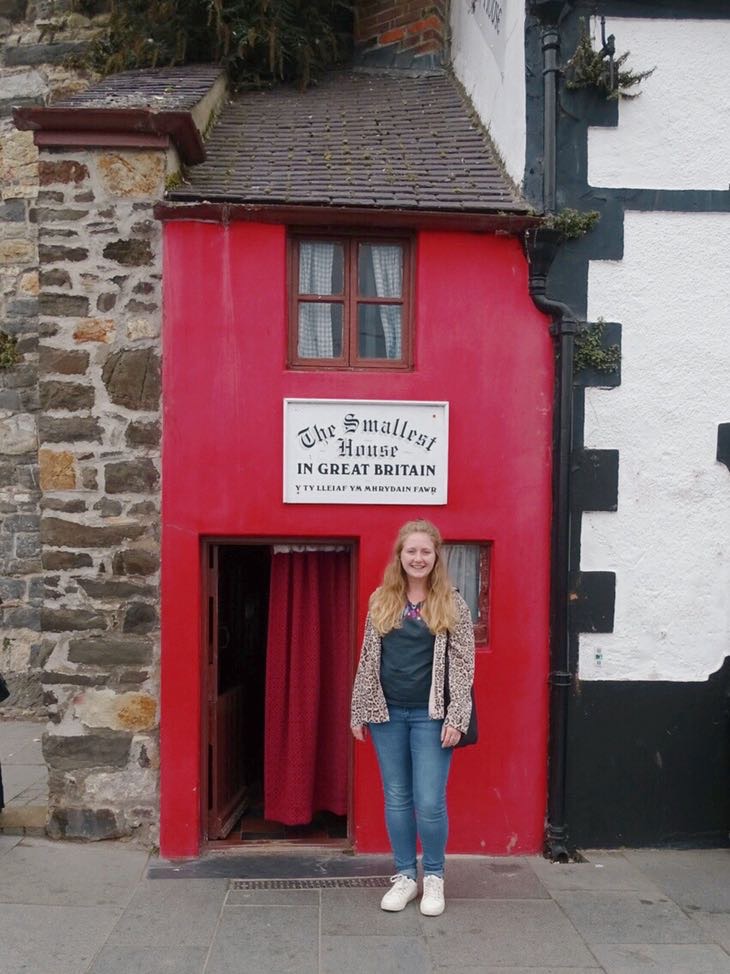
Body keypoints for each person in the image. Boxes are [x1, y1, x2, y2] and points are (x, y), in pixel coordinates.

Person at [351, 519, 475, 917]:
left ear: (435, 555)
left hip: (431, 716)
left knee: (429, 800)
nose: (418, 558)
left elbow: (463, 665)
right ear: (399, 556)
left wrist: (457, 715)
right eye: (411, 551)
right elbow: (368, 658)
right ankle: (405, 876)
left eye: (425, 551)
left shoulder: (451, 602)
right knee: (398, 798)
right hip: (387, 713)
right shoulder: (381, 599)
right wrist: (359, 709)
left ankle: (434, 877)